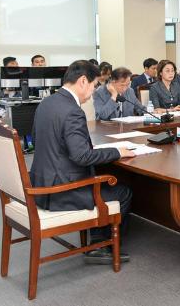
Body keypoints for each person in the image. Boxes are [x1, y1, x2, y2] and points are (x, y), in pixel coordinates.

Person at [29, 60, 134, 264]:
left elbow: (39, 139)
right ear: (83, 81)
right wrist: (117, 152)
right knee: (123, 191)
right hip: (62, 190)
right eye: (94, 86)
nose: (94, 91)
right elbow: (82, 157)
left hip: (42, 182)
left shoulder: (47, 103)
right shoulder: (72, 111)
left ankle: (97, 238)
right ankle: (103, 246)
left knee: (99, 179)